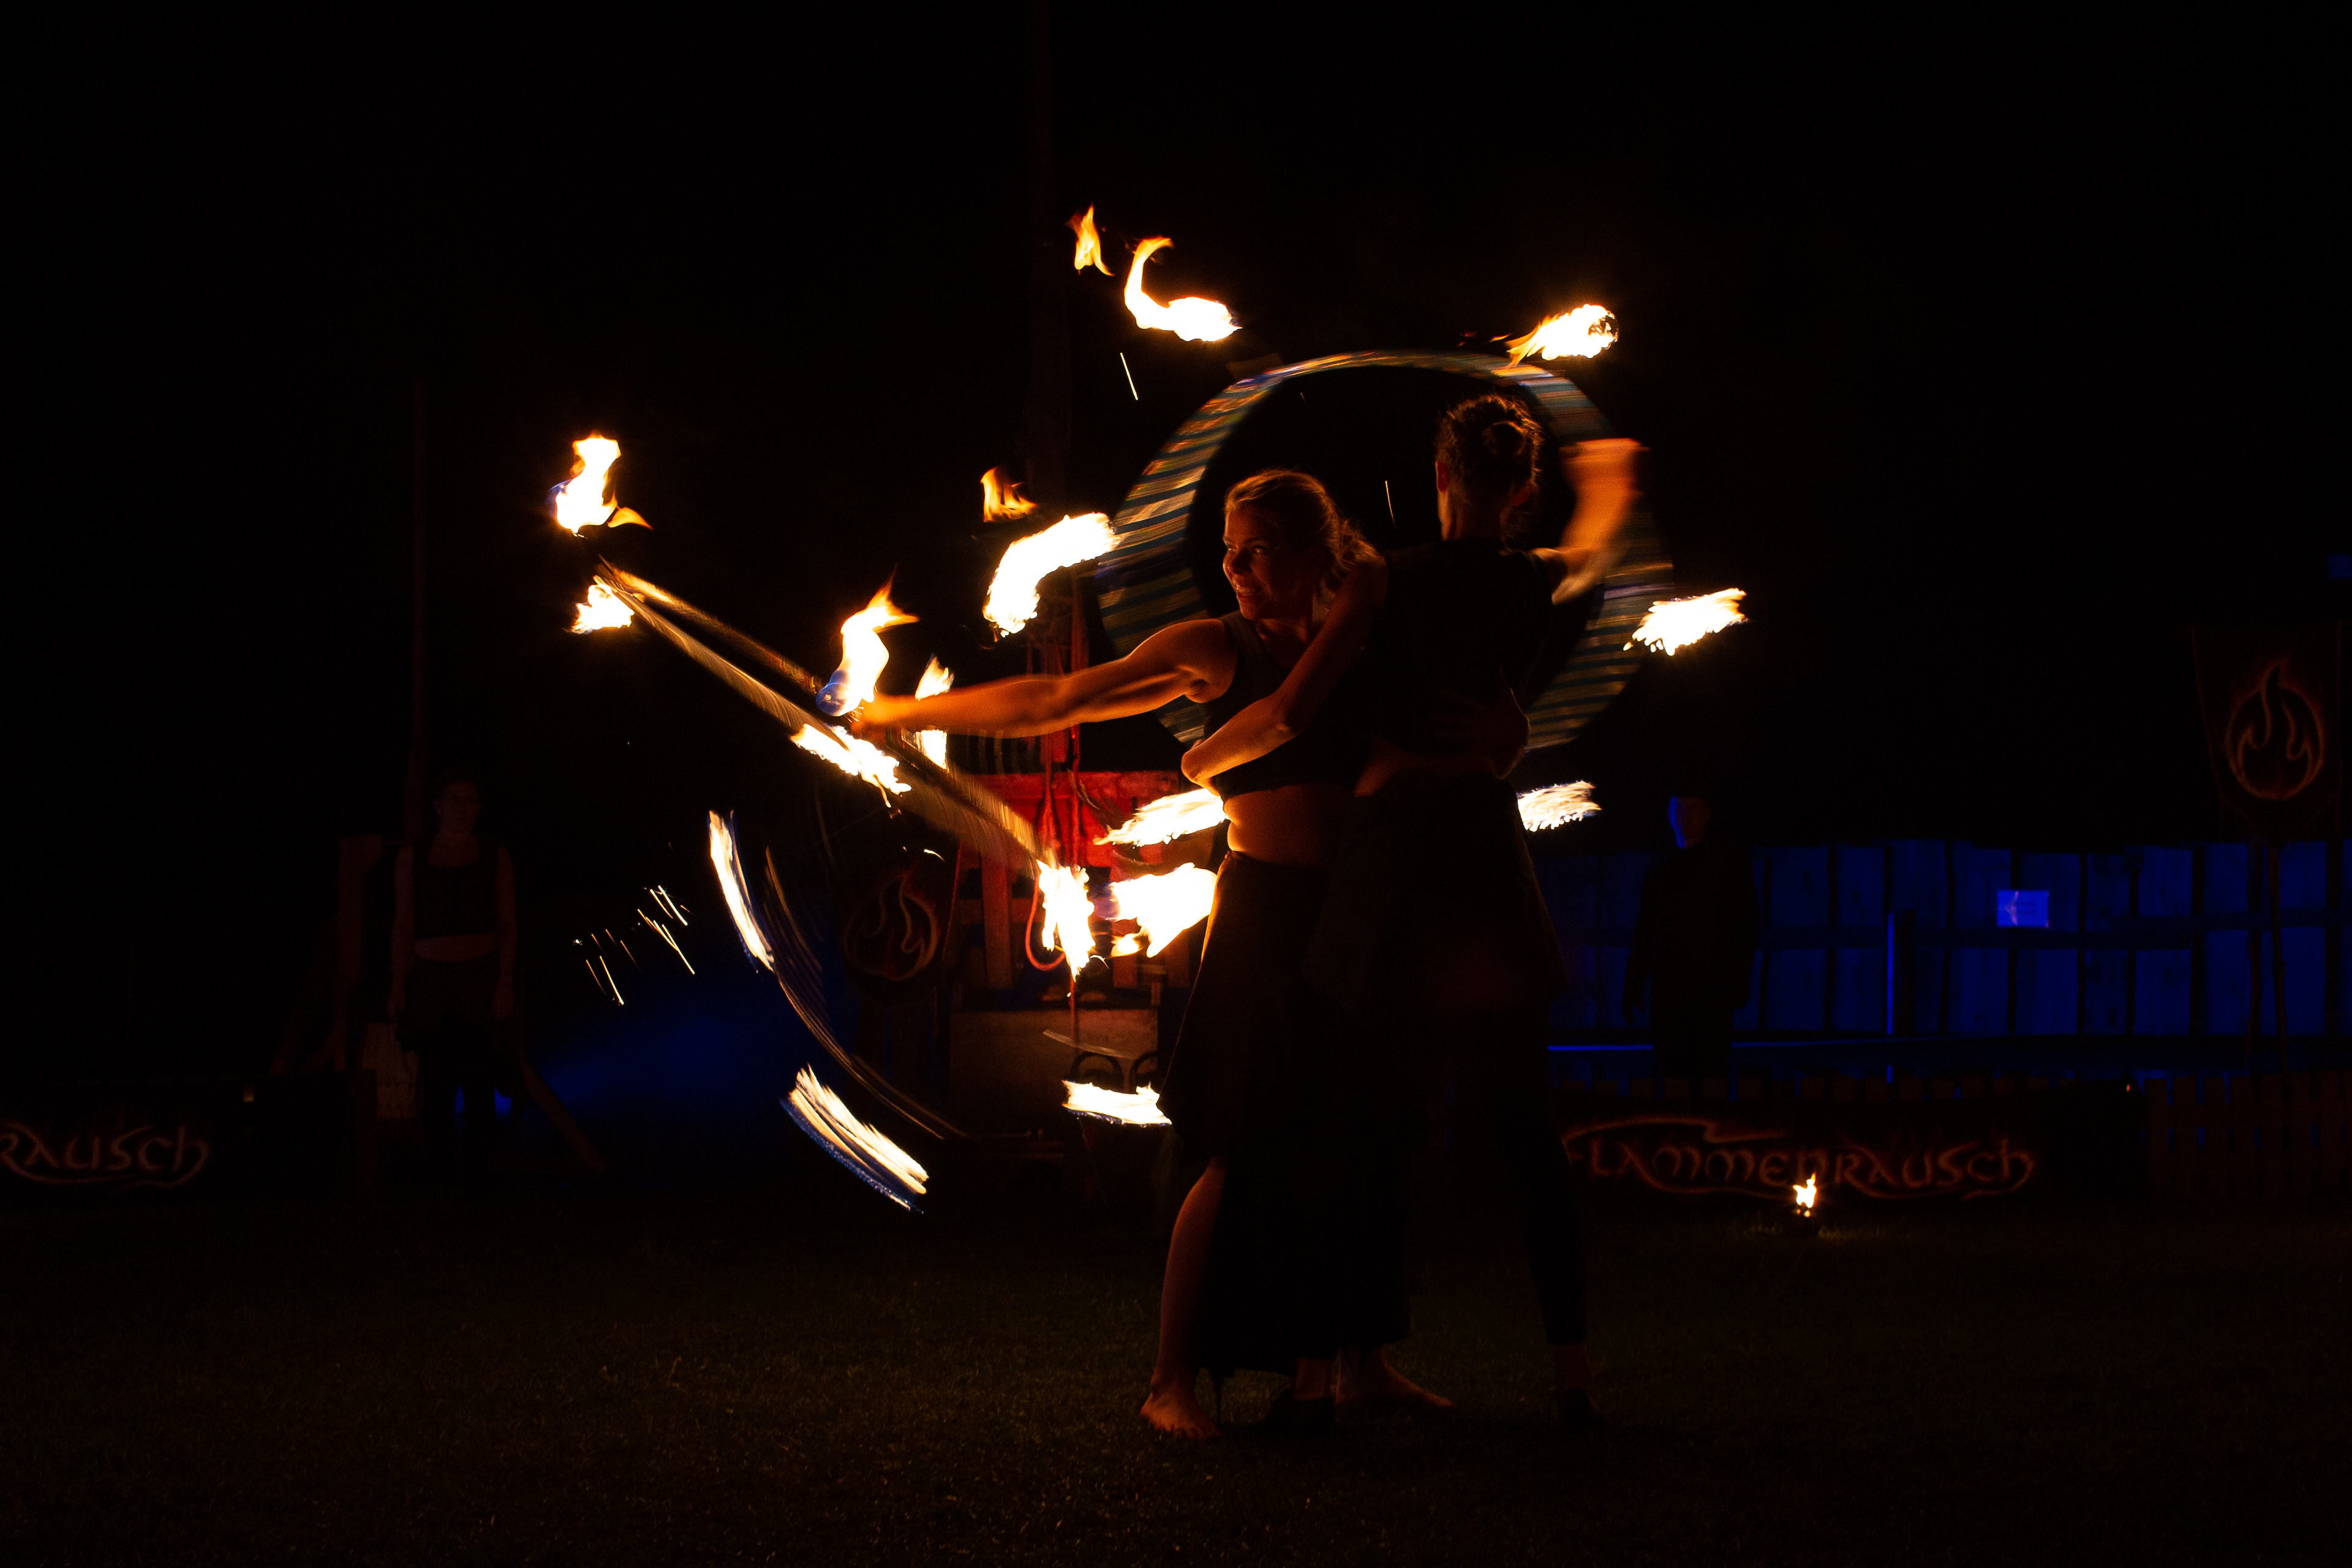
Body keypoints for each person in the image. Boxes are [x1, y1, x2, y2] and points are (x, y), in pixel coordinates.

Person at [859, 469, 1385, 1438]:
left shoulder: (1353, 643)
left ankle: (1358, 1366)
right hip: (1264, 914)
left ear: (1316, 553)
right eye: (1228, 551)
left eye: (1259, 550)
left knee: (1346, 1139)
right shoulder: (1214, 648)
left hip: (1347, 912)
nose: (1236, 569)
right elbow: (1057, 698)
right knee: (1233, 1146)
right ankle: (1168, 1381)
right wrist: (906, 716)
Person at [1214, 394, 1640, 1429]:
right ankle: (1574, 1379)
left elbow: (1313, 695)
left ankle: (1315, 1382)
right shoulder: (1528, 582)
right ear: (1522, 492)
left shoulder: (1384, 578)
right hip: (1483, 861)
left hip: (1393, 871)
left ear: (1439, 475)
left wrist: (1209, 760)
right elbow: (1589, 552)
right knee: (1525, 1128)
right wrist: (1611, 482)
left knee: (1347, 1124)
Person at [390, 768, 518, 1193]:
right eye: (454, 800)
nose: (462, 808)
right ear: (438, 806)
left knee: (480, 1079)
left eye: (470, 800)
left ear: (479, 808)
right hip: (432, 979)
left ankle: (478, 1175)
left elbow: (507, 922)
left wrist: (505, 978)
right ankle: (440, 1177)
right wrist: (398, 983)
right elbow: (403, 924)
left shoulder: (494, 854)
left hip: (479, 976)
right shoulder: (413, 856)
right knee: (438, 1081)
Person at [1623, 793, 1758, 1084]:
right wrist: (1633, 985)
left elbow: (1744, 927)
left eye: (1693, 807)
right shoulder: (1660, 864)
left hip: (1712, 992)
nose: (1685, 815)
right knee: (1672, 1073)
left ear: (1707, 813)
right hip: (1669, 993)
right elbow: (1645, 928)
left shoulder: (1725, 864)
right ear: (1669, 813)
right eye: (1679, 808)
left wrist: (1737, 981)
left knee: (1709, 1074)